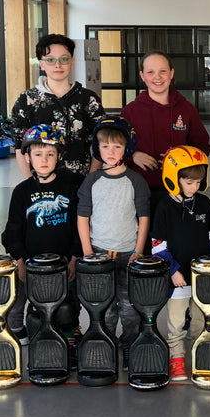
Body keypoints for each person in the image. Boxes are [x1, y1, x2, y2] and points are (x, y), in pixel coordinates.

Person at [0, 125, 83, 358]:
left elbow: (79, 227)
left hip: (65, 262)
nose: (44, 160)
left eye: (50, 154)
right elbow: (12, 231)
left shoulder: (69, 189)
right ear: (27, 157)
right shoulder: (22, 192)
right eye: (37, 154)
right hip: (32, 263)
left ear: (59, 156)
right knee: (35, 309)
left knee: (67, 307)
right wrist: (20, 261)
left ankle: (69, 337)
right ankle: (36, 336)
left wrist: (75, 257)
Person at [77, 116, 150, 367]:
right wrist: (88, 252)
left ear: (127, 149)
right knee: (105, 309)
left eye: (117, 146)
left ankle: (129, 345)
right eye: (105, 146)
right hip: (99, 255)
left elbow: (143, 218)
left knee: (130, 309)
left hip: (128, 254)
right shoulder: (92, 181)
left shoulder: (135, 181)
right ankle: (106, 344)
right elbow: (82, 218)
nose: (110, 151)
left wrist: (138, 251)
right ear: (96, 149)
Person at [150, 146, 210, 382]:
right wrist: (172, 271)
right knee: (177, 321)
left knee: (202, 319)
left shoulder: (204, 204)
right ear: (173, 178)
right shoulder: (163, 207)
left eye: (199, 182)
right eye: (189, 182)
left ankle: (200, 355)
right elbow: (157, 245)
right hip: (178, 277)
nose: (195, 187)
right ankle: (177, 358)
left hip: (202, 275)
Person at [122, 50, 210, 217]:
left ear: (171, 73)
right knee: (145, 239)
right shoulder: (130, 111)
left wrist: (183, 159)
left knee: (176, 238)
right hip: (140, 190)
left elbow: (202, 145)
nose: (157, 77)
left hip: (178, 190)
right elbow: (115, 147)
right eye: (150, 72)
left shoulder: (186, 109)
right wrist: (133, 155)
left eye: (163, 71)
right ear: (142, 75)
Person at [10, 34, 104, 179]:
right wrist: (30, 183)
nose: (58, 65)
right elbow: (19, 147)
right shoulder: (26, 101)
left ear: (72, 62)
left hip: (81, 184)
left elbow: (100, 142)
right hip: (41, 185)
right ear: (41, 64)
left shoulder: (88, 99)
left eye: (64, 59)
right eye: (50, 60)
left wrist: (91, 181)